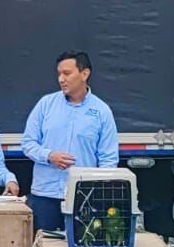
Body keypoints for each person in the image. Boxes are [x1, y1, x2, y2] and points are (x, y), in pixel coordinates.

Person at [20, 51, 119, 232]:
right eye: (59, 74)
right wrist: (49, 156)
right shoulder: (45, 104)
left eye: (67, 73)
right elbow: (27, 143)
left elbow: (108, 159)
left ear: (84, 74)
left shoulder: (101, 111)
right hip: (45, 195)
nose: (61, 79)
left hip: (83, 197)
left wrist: (98, 192)